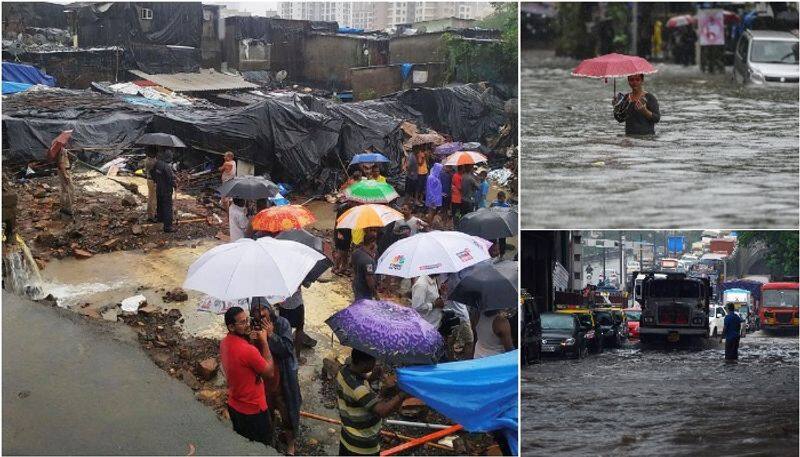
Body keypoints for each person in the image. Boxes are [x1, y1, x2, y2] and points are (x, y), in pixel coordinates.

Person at [220, 306, 276, 447]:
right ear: (231, 327)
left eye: (247, 320)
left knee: (243, 444)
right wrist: (264, 342)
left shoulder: (224, 343)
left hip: (234, 405)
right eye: (242, 323)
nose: (248, 325)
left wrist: (248, 340)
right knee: (263, 446)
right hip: (254, 410)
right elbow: (269, 373)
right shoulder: (247, 351)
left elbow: (242, 364)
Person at [336, 349, 407, 456]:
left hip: (347, 437)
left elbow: (360, 388)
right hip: (362, 445)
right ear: (364, 363)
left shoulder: (343, 372)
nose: (375, 363)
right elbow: (382, 411)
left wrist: (374, 376)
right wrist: (402, 394)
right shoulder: (358, 389)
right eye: (374, 360)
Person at [256, 303, 301, 456]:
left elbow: (287, 350)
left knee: (287, 412)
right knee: (267, 412)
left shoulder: (282, 323)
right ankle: (271, 440)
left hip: (283, 378)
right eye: (256, 310)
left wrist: (271, 335)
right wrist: (251, 339)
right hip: (264, 379)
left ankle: (290, 445)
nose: (261, 314)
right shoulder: (252, 327)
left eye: (263, 309)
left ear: (269, 309)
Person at [277, 288, 315, 364]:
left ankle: (286, 357)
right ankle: (297, 357)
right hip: (297, 304)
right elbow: (307, 284)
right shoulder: (296, 276)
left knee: (285, 330)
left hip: (283, 305)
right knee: (299, 329)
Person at [151, 148, 176, 233]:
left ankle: (160, 219)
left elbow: (152, 173)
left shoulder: (157, 164)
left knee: (160, 205)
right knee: (167, 208)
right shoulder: (167, 167)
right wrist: (175, 185)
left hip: (159, 188)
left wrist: (156, 181)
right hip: (166, 191)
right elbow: (170, 180)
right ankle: (168, 227)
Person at [351, 232, 378, 300]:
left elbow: (352, 266)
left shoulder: (356, 252)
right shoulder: (368, 261)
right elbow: (369, 278)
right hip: (364, 290)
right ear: (372, 243)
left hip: (356, 284)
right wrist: (375, 294)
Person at [333, 201, 354, 276]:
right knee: (342, 251)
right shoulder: (343, 208)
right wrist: (339, 232)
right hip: (342, 232)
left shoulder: (351, 208)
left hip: (347, 231)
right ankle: (337, 267)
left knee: (344, 251)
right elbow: (338, 221)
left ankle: (341, 267)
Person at [56, 146, 75, 217]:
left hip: (62, 171)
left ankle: (63, 207)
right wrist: (65, 175)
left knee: (64, 190)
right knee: (71, 190)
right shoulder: (62, 150)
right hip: (64, 171)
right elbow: (61, 164)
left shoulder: (61, 150)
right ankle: (67, 208)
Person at [144, 148, 158, 222]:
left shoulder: (146, 160)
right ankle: (151, 216)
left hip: (149, 180)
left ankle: (150, 214)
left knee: (150, 197)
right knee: (153, 199)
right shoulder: (153, 161)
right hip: (153, 181)